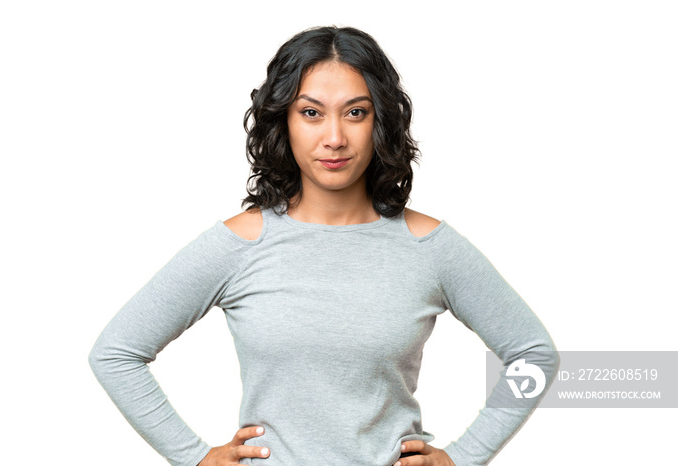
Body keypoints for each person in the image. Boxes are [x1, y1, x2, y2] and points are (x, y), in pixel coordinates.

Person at [89, 25, 560, 466]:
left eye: (355, 112)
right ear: (284, 122)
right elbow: (116, 353)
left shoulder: (430, 246)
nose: (334, 138)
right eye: (311, 113)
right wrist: (193, 455)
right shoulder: (240, 244)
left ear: (380, 122)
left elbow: (534, 353)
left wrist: (465, 455)